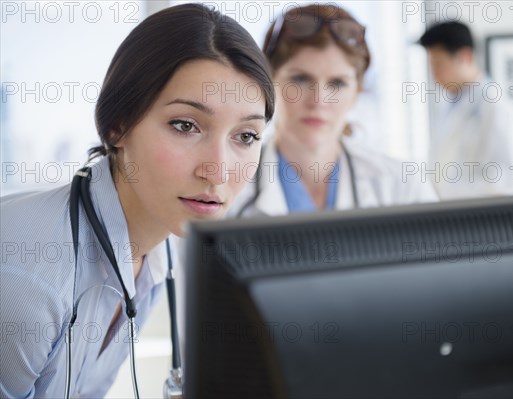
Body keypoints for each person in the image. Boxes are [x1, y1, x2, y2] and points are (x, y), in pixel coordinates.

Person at [0, 3, 274, 398]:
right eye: (186, 125)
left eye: (246, 136)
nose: (218, 171)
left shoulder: (154, 251)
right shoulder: (29, 274)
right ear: (118, 126)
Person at [229, 3, 437, 218]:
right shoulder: (227, 189)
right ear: (269, 83)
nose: (318, 100)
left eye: (337, 83)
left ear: (357, 90)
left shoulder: (402, 187)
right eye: (300, 79)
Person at [419, 21, 513, 200]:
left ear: (465, 57)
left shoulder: (498, 108)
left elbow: (511, 183)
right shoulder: (451, 106)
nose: (434, 75)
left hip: (482, 222)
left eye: (438, 65)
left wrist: (447, 192)